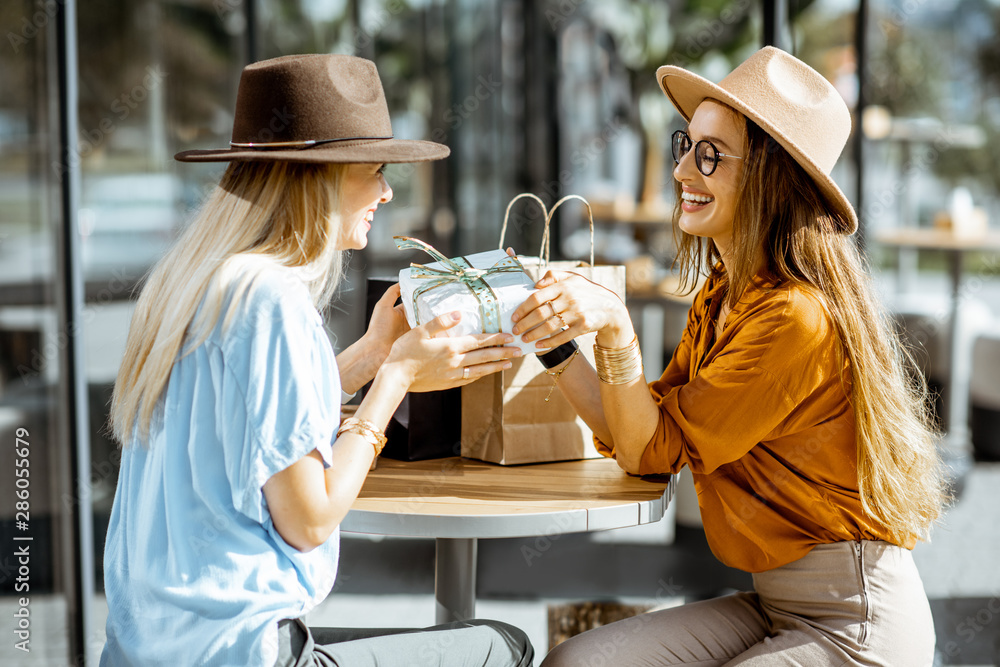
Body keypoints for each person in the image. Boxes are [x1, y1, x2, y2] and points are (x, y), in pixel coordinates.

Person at [512, 47, 947, 665]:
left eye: (710, 154)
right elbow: (643, 438)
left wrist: (616, 331)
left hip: (857, 621)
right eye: (685, 145)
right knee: (576, 661)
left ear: (770, 176)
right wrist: (552, 342)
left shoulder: (795, 319)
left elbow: (647, 445)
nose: (684, 170)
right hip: (775, 604)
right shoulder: (724, 294)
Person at [101, 54, 533, 667]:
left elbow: (253, 422)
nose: (386, 191)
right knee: (503, 645)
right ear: (322, 177)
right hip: (245, 654)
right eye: (377, 171)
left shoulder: (194, 282)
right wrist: (396, 379)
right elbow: (309, 519)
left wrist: (370, 354)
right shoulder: (274, 299)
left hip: (146, 651)